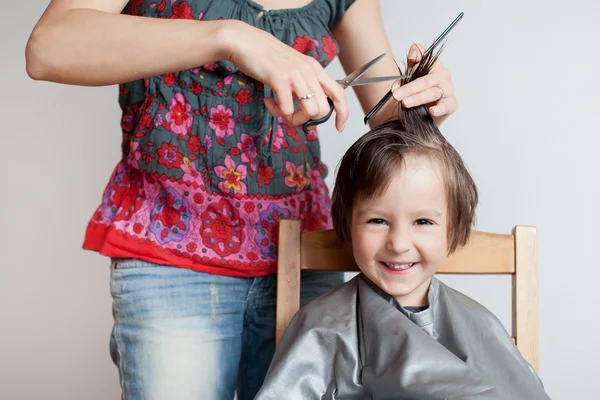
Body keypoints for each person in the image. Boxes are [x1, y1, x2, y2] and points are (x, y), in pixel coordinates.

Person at [25, 1, 458, 399]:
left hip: (302, 258)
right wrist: (231, 37)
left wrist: (421, 105)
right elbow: (49, 47)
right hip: (172, 254)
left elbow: (388, 121)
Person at [254, 47, 551, 399]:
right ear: (347, 223)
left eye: (423, 221)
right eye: (378, 220)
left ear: (453, 229)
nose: (398, 243)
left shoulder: (480, 325)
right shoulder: (323, 329)